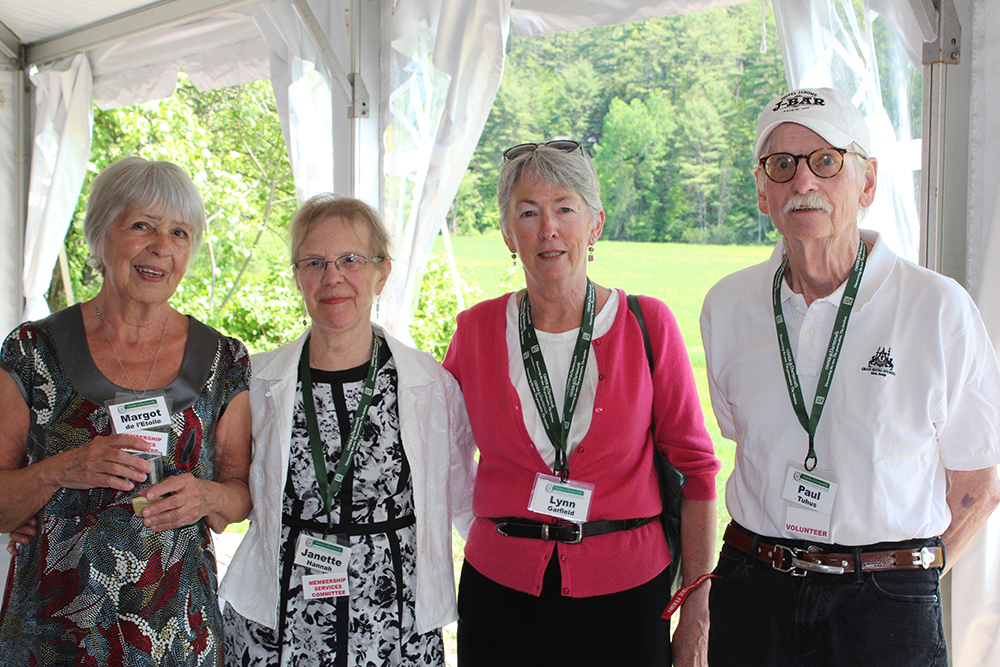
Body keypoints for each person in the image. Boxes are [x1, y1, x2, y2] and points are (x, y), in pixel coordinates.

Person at [701, 87, 1000, 666]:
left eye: (826, 161)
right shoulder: (728, 306)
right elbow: (744, 437)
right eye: (781, 165)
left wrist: (906, 581)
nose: (803, 183)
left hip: (884, 603)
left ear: (866, 182)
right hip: (755, 587)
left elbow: (976, 487)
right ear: (762, 191)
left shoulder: (937, 308)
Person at [443, 141, 721, 667]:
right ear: (508, 234)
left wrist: (697, 610)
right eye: (528, 212)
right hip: (500, 594)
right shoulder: (475, 331)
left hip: (628, 595)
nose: (548, 228)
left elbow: (699, 472)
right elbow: (437, 449)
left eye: (564, 208)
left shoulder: (649, 324)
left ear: (594, 225)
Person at [0, 156, 252, 665]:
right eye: (142, 225)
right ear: (100, 233)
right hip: (53, 637)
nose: (161, 246)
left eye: (180, 233)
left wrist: (207, 496)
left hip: (179, 634)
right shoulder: (33, 350)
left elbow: (239, 497)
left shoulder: (224, 360)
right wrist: (57, 472)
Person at [219, 194, 476, 667]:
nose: (332, 277)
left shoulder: (431, 386)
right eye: (314, 262)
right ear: (298, 276)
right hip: (279, 625)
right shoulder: (255, 382)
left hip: (394, 625)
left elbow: (467, 504)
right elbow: (226, 489)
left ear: (382, 272)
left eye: (351, 260)